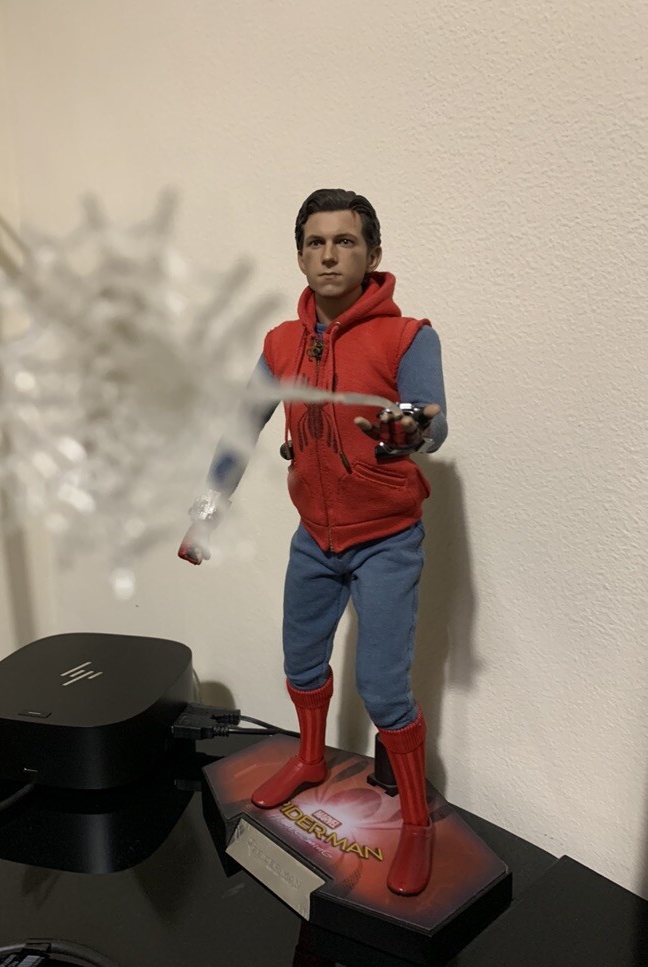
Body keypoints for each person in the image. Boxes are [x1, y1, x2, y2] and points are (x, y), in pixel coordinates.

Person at [178, 189, 447, 896]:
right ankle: (308, 758)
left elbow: (432, 419)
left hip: (386, 539)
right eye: (315, 243)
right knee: (300, 661)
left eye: (345, 241)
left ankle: (415, 819)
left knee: (383, 688)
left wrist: (406, 429)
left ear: (373, 254)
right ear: (299, 256)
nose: (329, 255)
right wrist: (205, 513)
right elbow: (242, 428)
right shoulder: (280, 343)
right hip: (315, 539)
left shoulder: (407, 336)